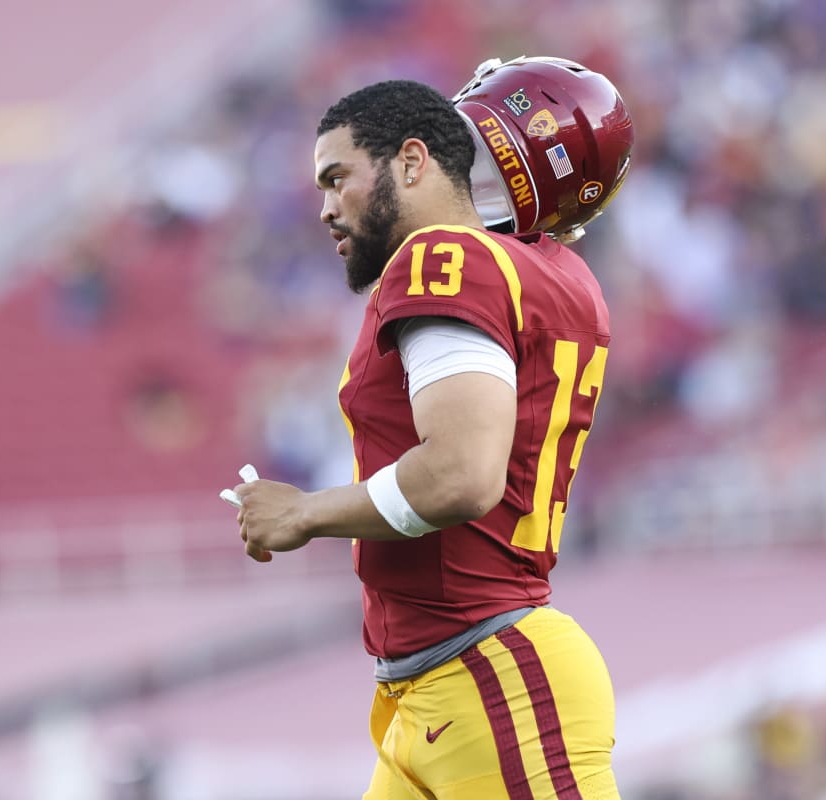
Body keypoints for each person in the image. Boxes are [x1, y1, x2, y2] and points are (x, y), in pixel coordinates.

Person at [231, 57, 634, 799]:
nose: (325, 208)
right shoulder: (553, 272)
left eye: (336, 177)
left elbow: (459, 475)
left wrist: (305, 513)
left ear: (416, 158)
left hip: (489, 672)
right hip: (439, 686)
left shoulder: (443, 256)